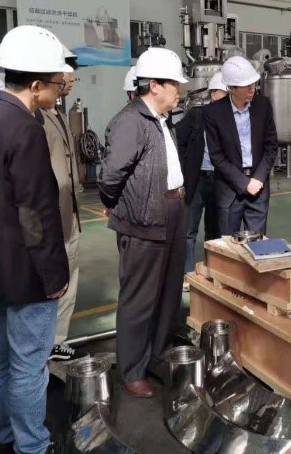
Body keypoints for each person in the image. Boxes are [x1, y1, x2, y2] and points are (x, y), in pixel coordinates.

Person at [0, 25, 71, 454]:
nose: (61, 90)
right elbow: (35, 212)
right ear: (36, 85)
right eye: (57, 83)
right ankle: (32, 445)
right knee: (28, 365)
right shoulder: (26, 128)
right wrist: (53, 276)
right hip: (28, 273)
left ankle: (2, 432)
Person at [98, 47, 188, 399]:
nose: (179, 91)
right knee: (139, 299)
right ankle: (132, 370)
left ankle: (155, 355)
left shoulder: (160, 120)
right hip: (143, 221)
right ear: (154, 86)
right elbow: (110, 178)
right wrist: (121, 205)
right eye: (174, 84)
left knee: (168, 293)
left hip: (172, 212)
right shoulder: (130, 122)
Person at [37, 48, 84, 362]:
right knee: (52, 281)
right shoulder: (34, 118)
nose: (71, 79)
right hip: (51, 217)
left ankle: (57, 340)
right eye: (66, 72)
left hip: (71, 214)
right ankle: (43, 344)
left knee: (70, 278)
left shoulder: (59, 114)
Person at [203, 56, 278, 235]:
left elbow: (271, 146)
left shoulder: (263, 105)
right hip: (229, 191)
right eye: (247, 86)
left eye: (254, 84)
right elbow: (217, 156)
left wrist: (258, 179)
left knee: (257, 244)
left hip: (258, 189)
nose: (253, 89)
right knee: (229, 246)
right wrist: (244, 183)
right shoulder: (213, 112)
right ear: (232, 88)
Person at [176, 72, 228, 276]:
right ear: (213, 94)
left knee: (214, 231)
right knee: (189, 229)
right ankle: (187, 275)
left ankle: (213, 272)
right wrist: (185, 168)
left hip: (220, 181)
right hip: (197, 179)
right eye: (224, 93)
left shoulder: (232, 119)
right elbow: (180, 140)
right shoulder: (197, 115)